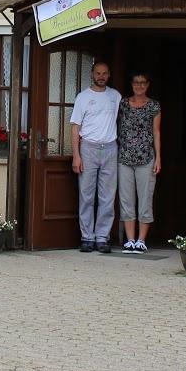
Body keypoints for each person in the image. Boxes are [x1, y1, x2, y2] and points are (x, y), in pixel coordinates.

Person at [70, 61, 122, 253]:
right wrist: (76, 156)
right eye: (98, 73)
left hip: (110, 147)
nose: (101, 76)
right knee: (86, 195)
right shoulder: (83, 97)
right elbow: (75, 128)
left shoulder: (115, 96)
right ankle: (87, 237)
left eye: (104, 73)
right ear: (92, 74)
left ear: (109, 75)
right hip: (88, 148)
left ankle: (102, 238)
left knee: (107, 196)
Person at [117, 72, 162, 254]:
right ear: (131, 84)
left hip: (146, 158)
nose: (139, 85)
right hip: (124, 158)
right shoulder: (123, 104)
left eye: (143, 82)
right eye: (136, 82)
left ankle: (141, 241)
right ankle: (130, 240)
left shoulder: (154, 105)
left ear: (148, 84)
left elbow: (156, 132)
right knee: (126, 199)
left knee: (145, 199)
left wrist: (158, 157)